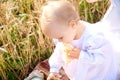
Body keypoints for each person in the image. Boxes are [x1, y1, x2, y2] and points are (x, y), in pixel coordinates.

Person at [40, 0, 117, 80]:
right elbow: (58, 53)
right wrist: (54, 69)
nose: (59, 41)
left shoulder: (94, 38)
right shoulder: (67, 34)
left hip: (100, 75)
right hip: (81, 75)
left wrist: (81, 55)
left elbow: (103, 58)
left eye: (60, 37)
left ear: (72, 25)